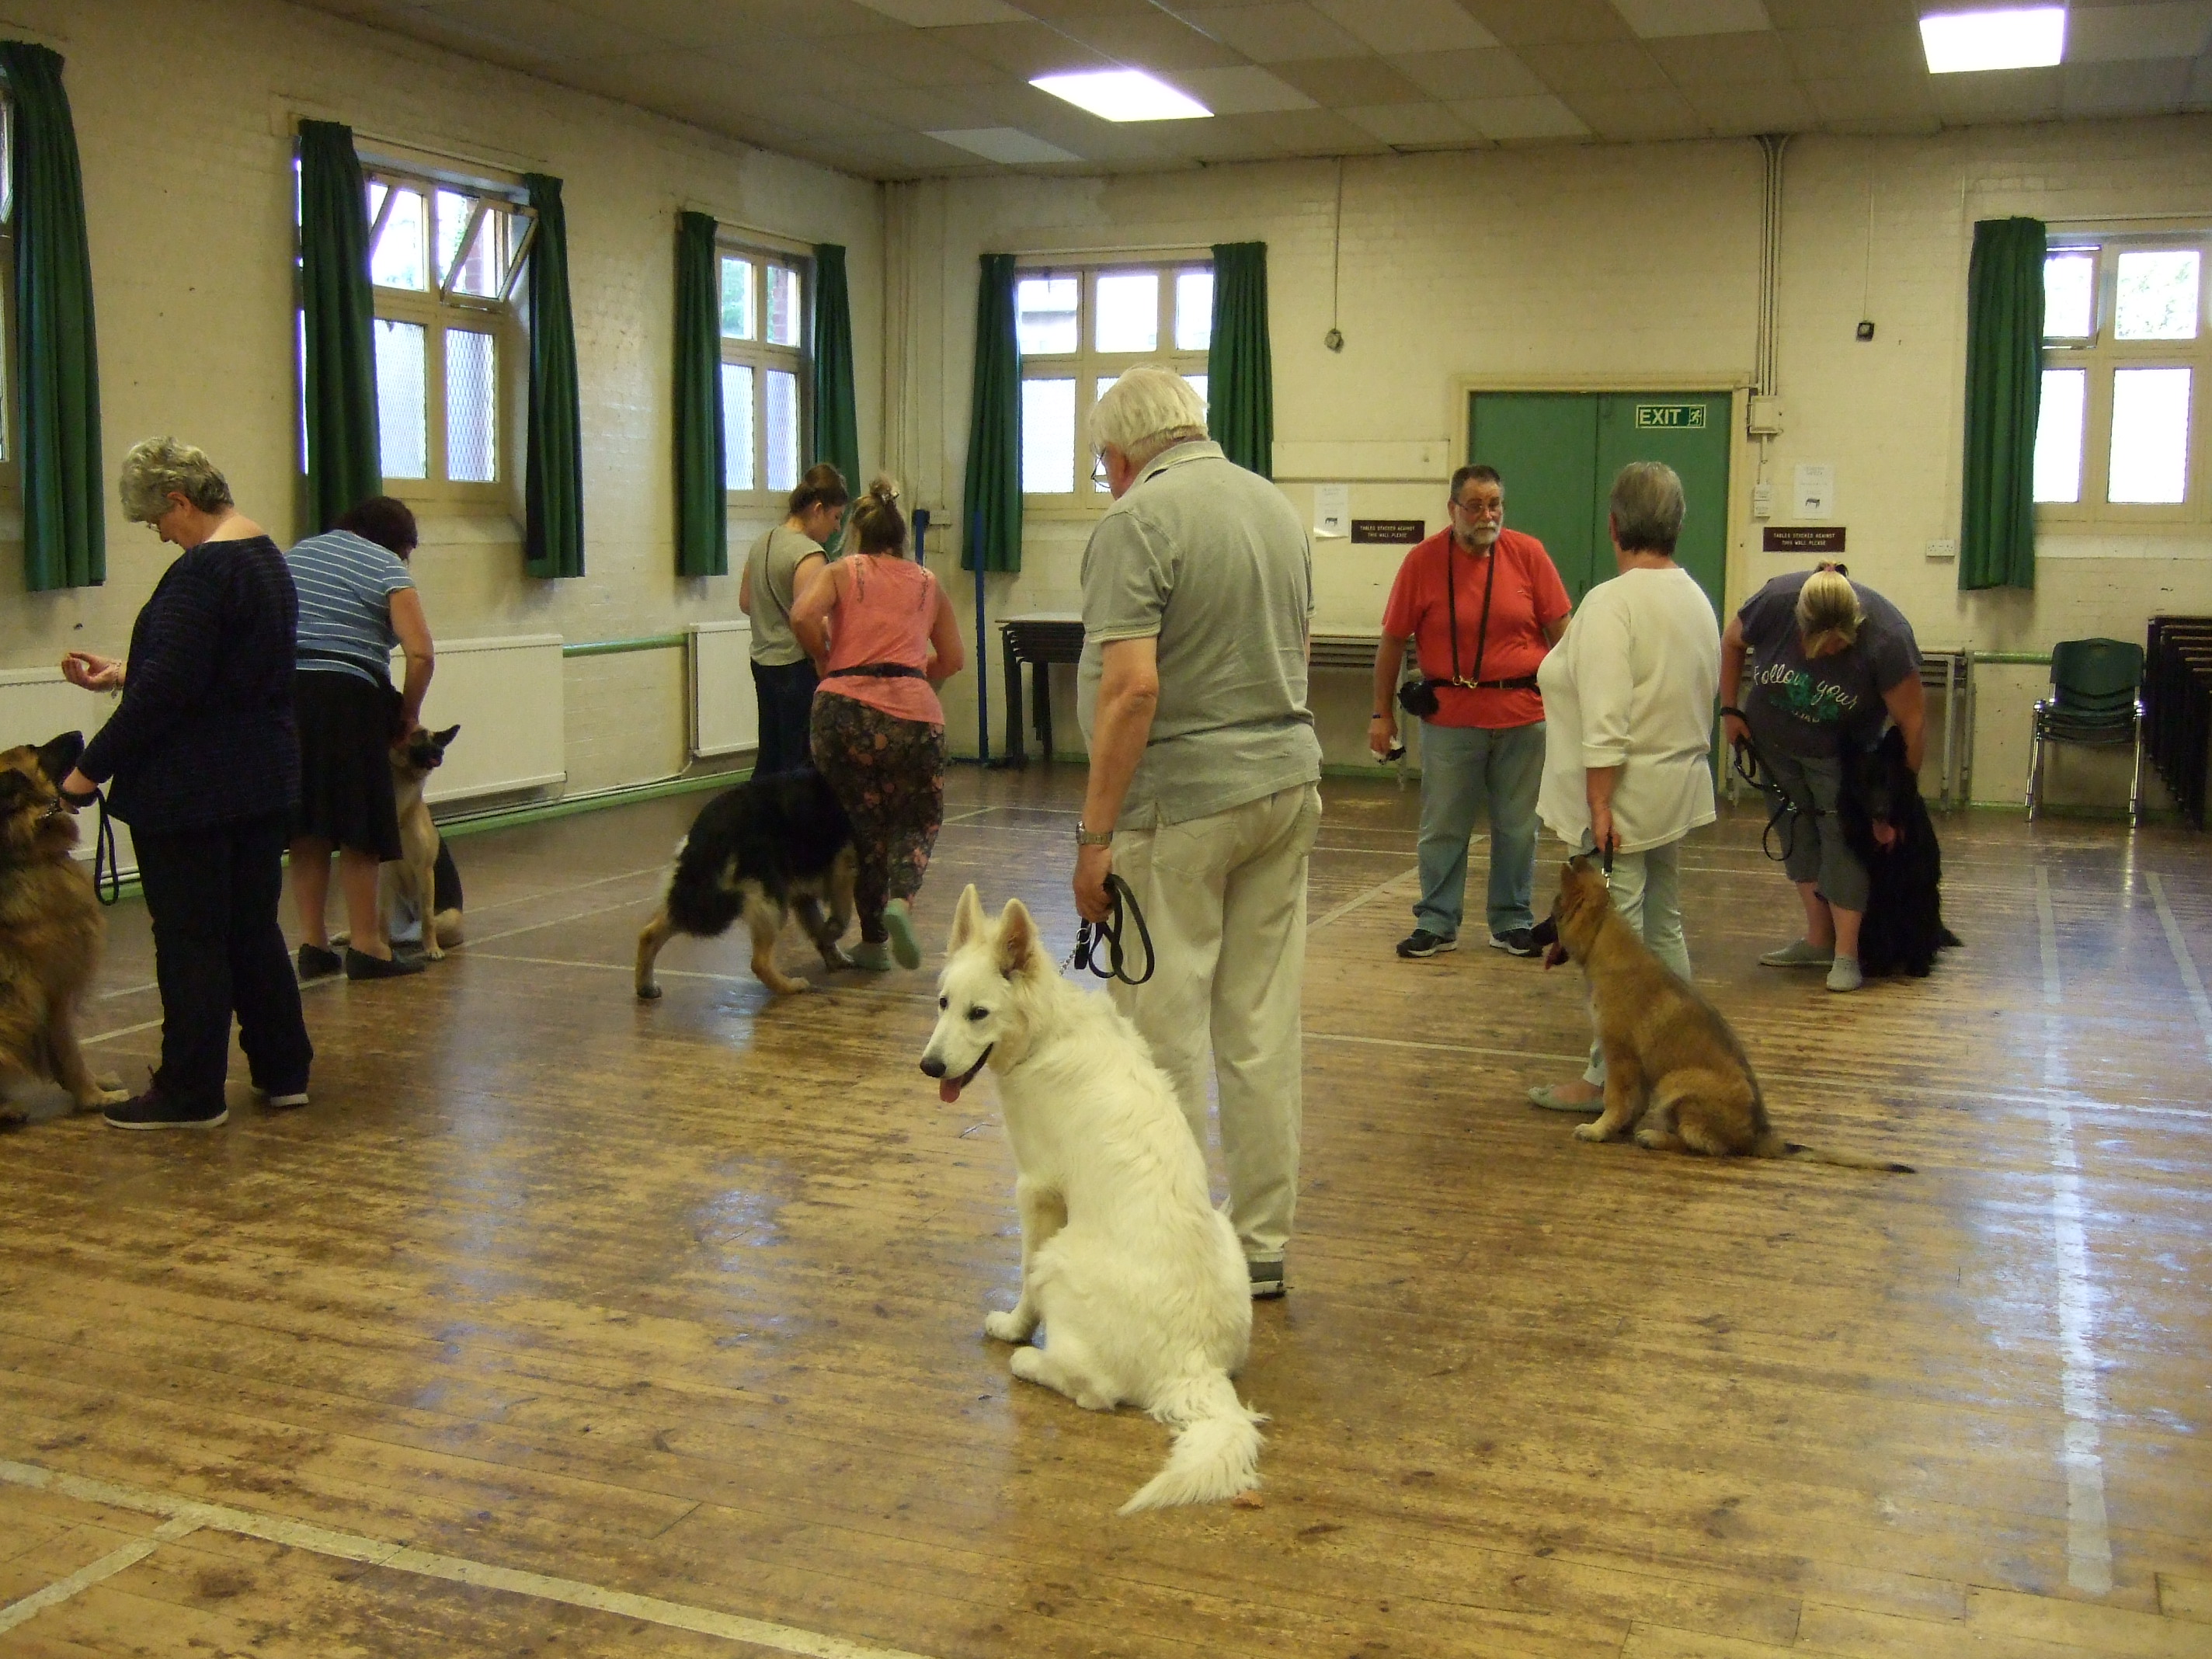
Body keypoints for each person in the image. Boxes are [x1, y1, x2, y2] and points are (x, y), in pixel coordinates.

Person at [1073, 366, 1323, 1300]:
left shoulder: (1135, 523)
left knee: (1161, 1030)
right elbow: (1290, 655)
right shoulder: (1274, 511)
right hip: (1284, 786)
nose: (1107, 480)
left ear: (1124, 451)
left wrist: (1094, 836)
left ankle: (1167, 1242)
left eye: (1104, 463)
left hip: (1178, 804)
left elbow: (1131, 687)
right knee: (1260, 1027)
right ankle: (1259, 1245)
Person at [57, 439, 314, 1131]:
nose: (160, 535)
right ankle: (285, 1069)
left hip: (194, 791)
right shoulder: (265, 560)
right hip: (262, 779)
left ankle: (191, 1091)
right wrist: (120, 672)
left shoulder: (203, 571)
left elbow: (168, 692)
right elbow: (214, 668)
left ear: (179, 501)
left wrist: (85, 774)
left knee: (192, 940)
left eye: (156, 522)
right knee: (250, 931)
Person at [1525, 462, 1721, 1114]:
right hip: (1674, 789)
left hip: (1624, 801)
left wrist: (1601, 802)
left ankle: (1609, 1082)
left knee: (1617, 949)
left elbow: (1607, 716)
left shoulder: (1614, 602)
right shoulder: (1694, 595)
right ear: (1676, 525)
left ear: (1613, 525)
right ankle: (1681, 1055)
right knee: (1662, 933)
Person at [1370, 465, 1570, 961]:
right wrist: (1381, 715)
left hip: (1523, 718)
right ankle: (1437, 922)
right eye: (1476, 505)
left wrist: (1576, 710)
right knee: (1443, 826)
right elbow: (1393, 640)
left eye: (1495, 504)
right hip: (1451, 722)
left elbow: (1564, 635)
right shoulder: (1423, 562)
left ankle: (1512, 920)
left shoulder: (1528, 555)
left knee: (1519, 826)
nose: (1487, 515)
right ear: (1453, 509)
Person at [1721, 562, 1925, 994]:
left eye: (1838, 647)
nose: (1829, 654)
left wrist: (1900, 810)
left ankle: (1847, 955)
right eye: (1820, 646)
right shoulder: (1776, 601)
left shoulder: (1888, 637)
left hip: (1841, 755)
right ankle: (1819, 941)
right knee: (1796, 830)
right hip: (1773, 742)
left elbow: (1913, 723)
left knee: (1842, 837)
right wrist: (1730, 710)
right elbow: (1731, 640)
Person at [790, 476, 962, 972]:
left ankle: (873, 943)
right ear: (902, 536)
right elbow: (951, 659)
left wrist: (829, 662)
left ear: (859, 534)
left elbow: (803, 615)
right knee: (918, 817)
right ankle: (900, 903)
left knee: (859, 827)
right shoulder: (928, 583)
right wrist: (910, 673)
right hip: (913, 716)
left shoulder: (844, 571)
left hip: (842, 710)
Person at [286, 496, 436, 982]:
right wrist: (407, 715)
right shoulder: (385, 564)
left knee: (307, 826)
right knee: (359, 826)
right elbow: (421, 655)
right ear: (399, 542)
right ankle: (369, 946)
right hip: (349, 697)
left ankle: (313, 944)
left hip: (289, 693)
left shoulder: (299, 553)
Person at [741, 464, 849, 774]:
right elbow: (809, 618)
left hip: (763, 662)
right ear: (818, 509)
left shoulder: (761, 542)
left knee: (770, 756)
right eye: (836, 516)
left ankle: (761, 821)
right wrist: (823, 658)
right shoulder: (809, 554)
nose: (837, 528)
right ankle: (794, 823)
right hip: (795, 668)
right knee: (799, 760)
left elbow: (746, 602)